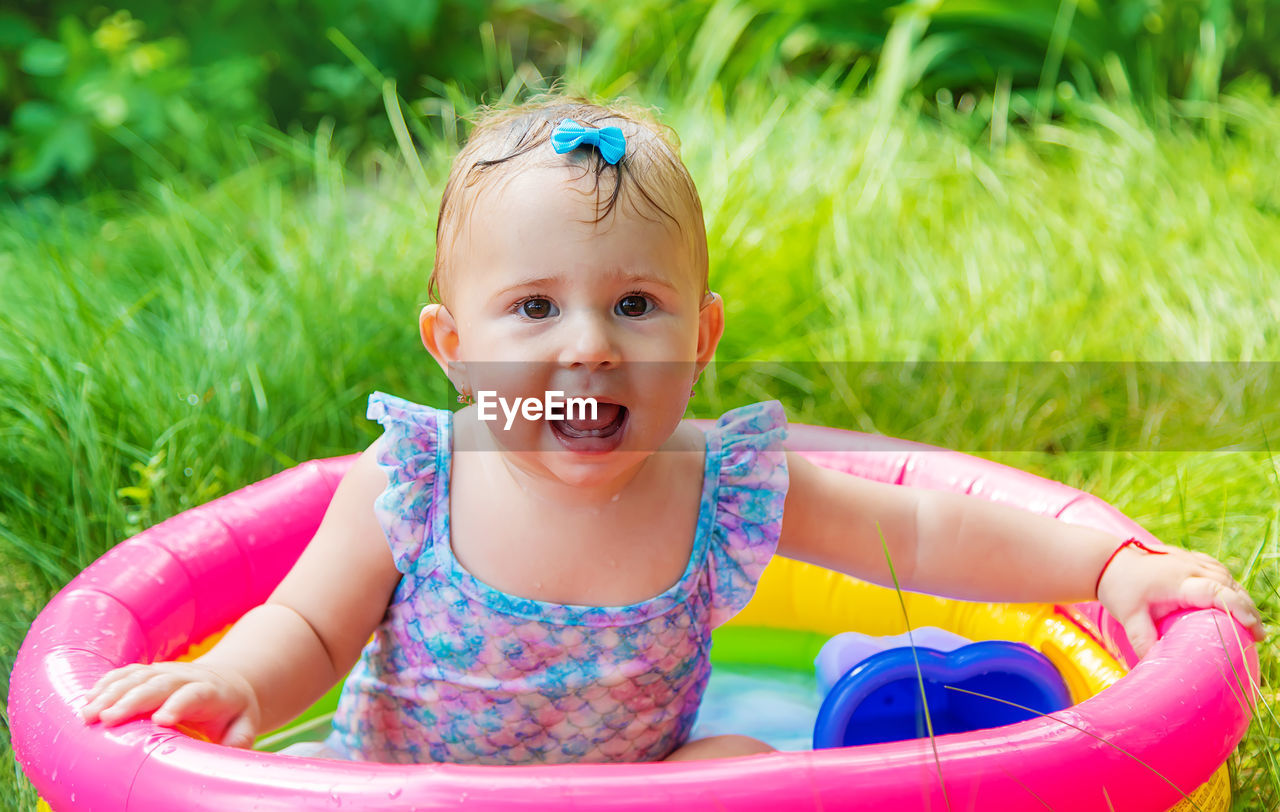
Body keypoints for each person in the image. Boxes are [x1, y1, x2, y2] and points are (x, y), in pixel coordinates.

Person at [79, 96, 1265, 765]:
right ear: (449, 345)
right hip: (412, 790)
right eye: (534, 307)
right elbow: (306, 625)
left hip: (639, 791)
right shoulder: (416, 478)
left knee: (751, 773)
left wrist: (1108, 564)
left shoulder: (724, 482)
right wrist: (227, 682)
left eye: (632, 305)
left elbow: (917, 533)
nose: (587, 343)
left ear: (698, 339)